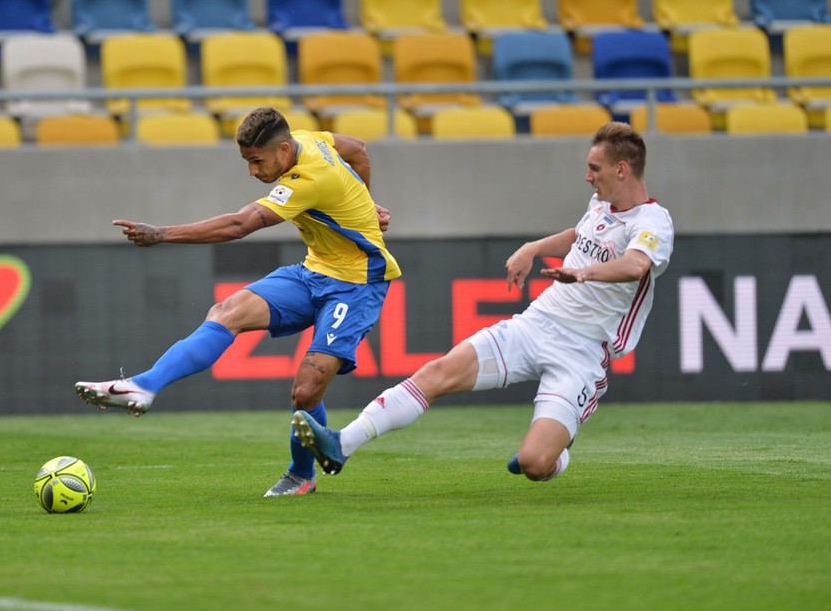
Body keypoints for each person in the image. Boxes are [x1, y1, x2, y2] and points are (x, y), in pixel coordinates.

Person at [292, 122, 674, 483]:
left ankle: (556, 448)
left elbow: (636, 264)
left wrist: (584, 273)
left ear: (622, 169)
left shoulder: (653, 221)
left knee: (534, 465)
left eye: (595, 168)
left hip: (585, 351)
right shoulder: (600, 203)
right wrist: (534, 248)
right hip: (537, 324)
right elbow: (582, 232)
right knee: (438, 373)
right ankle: (341, 444)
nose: (588, 176)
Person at [74, 107, 401, 497]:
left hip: (357, 284)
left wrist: (161, 234)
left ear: (282, 149)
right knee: (226, 311)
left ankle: (301, 474)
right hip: (314, 271)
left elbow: (240, 224)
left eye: (256, 161)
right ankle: (144, 386)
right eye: (247, 161)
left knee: (306, 392)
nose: (252, 172)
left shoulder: (308, 179)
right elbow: (359, 149)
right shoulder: (308, 138)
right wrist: (365, 205)